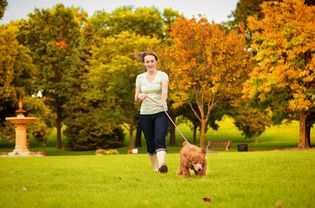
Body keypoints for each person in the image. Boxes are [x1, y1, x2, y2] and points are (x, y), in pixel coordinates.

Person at [135, 51, 169, 173]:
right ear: (144, 64)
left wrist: (163, 101)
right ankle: (155, 169)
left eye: (152, 61)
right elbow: (136, 96)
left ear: (156, 62)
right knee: (150, 142)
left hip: (160, 112)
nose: (150, 64)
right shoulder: (139, 78)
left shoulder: (163, 76)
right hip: (145, 114)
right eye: (147, 62)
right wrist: (140, 96)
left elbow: (164, 91)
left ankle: (162, 165)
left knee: (159, 138)